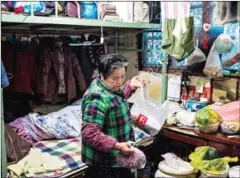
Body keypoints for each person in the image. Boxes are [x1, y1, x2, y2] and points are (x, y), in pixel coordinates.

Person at [81, 54, 145, 178]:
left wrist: (130, 85)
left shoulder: (111, 88)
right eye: (115, 78)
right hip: (104, 164)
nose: (120, 81)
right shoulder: (97, 98)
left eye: (122, 77)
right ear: (102, 75)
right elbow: (89, 133)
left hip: (116, 159)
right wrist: (117, 146)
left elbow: (115, 99)